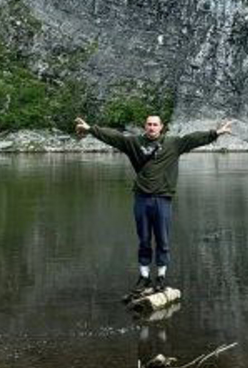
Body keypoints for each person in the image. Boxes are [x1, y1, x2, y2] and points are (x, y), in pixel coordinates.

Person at [73, 110, 232, 287]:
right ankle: (144, 276)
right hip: (141, 198)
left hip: (163, 199)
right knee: (144, 239)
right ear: (145, 126)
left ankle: (161, 277)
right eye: (149, 124)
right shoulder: (134, 143)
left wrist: (216, 133)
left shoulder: (173, 144)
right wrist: (90, 129)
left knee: (163, 240)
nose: (152, 127)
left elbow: (193, 138)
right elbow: (113, 137)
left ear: (161, 127)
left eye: (155, 124)